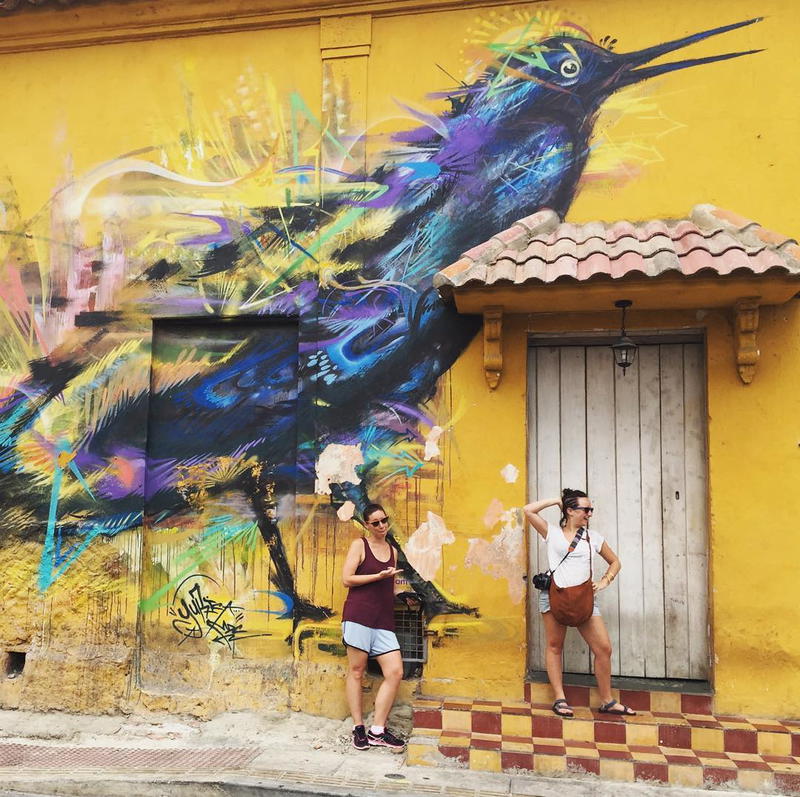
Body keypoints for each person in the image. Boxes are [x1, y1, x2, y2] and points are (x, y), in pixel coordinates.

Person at [523, 489, 636, 718]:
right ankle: (559, 698)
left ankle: (607, 700)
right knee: (555, 646)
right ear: (570, 511)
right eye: (585, 509)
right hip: (554, 596)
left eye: (590, 509)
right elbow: (527, 510)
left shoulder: (593, 538)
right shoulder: (551, 533)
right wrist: (555, 500)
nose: (589, 513)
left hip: (584, 599)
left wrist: (605, 581)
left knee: (603, 648)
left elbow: (615, 562)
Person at [341, 502, 407, 750]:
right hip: (359, 615)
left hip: (383, 619)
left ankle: (377, 730)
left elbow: (388, 585)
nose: (382, 526)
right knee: (357, 671)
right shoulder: (360, 545)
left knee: (395, 672)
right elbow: (347, 579)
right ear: (367, 525)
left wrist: (401, 593)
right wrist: (377, 577)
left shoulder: (392, 550)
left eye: (384, 520)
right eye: (376, 523)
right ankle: (359, 727)